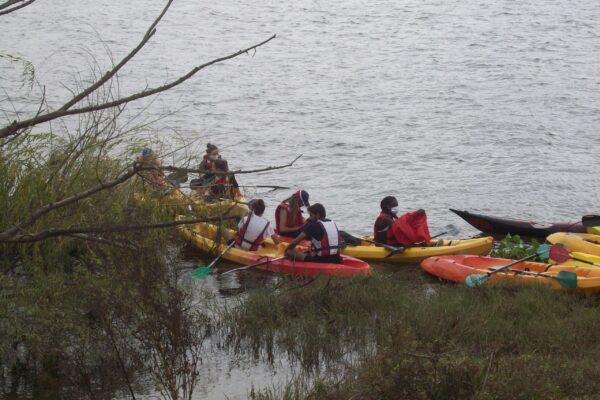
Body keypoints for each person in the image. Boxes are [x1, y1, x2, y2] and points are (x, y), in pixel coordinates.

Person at [374, 196, 442, 247]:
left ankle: (426, 244)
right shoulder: (384, 219)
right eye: (395, 206)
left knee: (411, 238)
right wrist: (415, 214)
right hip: (384, 245)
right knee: (409, 240)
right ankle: (427, 246)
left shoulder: (390, 216)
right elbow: (399, 226)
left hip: (392, 242)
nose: (397, 208)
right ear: (388, 207)